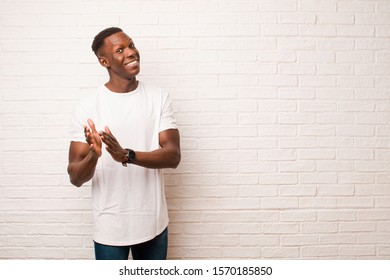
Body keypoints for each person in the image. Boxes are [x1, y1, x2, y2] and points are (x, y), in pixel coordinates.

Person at [67, 27, 181, 260]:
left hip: (153, 224)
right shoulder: (88, 106)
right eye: (120, 50)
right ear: (104, 61)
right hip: (109, 227)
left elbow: (173, 156)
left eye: (131, 45)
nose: (131, 52)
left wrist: (127, 155)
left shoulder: (158, 97)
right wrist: (93, 156)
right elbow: (76, 177)